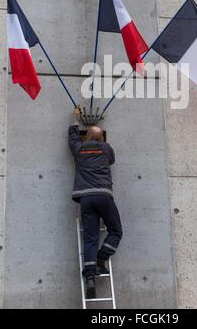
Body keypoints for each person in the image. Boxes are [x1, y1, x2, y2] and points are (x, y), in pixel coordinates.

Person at [68, 108, 123, 299]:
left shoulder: (80, 149)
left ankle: (90, 278)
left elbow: (73, 140)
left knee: (90, 238)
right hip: (104, 196)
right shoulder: (106, 149)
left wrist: (75, 121)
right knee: (116, 231)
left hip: (85, 199)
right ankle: (101, 259)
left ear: (87, 137)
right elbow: (112, 160)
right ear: (101, 139)